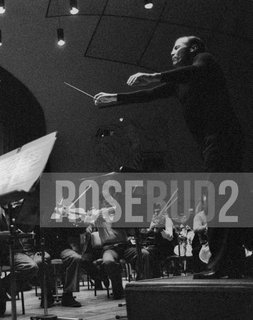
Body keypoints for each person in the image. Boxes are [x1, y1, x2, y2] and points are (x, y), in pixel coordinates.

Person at [93, 36, 245, 279]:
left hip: (223, 136)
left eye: (177, 47)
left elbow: (195, 71)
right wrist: (116, 98)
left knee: (218, 199)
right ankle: (233, 262)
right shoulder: (180, 82)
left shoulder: (204, 60)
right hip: (212, 142)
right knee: (224, 198)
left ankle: (220, 264)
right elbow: (150, 95)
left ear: (193, 48)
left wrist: (155, 75)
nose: (172, 52)